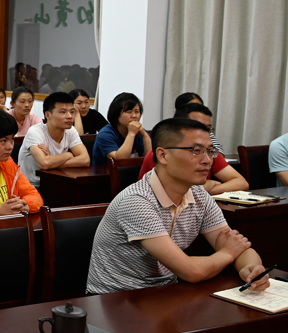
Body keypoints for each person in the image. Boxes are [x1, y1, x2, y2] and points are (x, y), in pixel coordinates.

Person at [86, 118, 270, 295]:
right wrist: (228, 254)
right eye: (196, 151)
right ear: (162, 155)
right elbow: (191, 271)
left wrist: (251, 268)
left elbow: (237, 245)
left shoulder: (199, 195)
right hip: (117, 298)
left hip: (166, 292)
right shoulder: (137, 201)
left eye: (210, 151)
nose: (207, 160)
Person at [138, 104, 247, 195]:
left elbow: (241, 182)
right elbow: (172, 191)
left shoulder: (208, 151)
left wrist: (204, 190)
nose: (207, 160)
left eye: (208, 128)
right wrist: (204, 188)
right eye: (196, 126)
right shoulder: (165, 153)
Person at [18, 91, 90, 187]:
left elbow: (85, 160)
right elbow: (45, 163)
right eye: (63, 112)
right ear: (48, 115)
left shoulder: (71, 130)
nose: (69, 116)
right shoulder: (35, 131)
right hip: (31, 186)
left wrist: (52, 162)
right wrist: (68, 155)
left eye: (72, 112)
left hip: (56, 183)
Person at [92, 92, 152, 166]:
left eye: (137, 112)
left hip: (134, 171)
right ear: (116, 114)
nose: (134, 116)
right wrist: (131, 134)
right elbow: (120, 161)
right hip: (105, 172)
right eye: (129, 112)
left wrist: (145, 135)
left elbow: (151, 158)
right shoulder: (105, 134)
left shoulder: (139, 131)